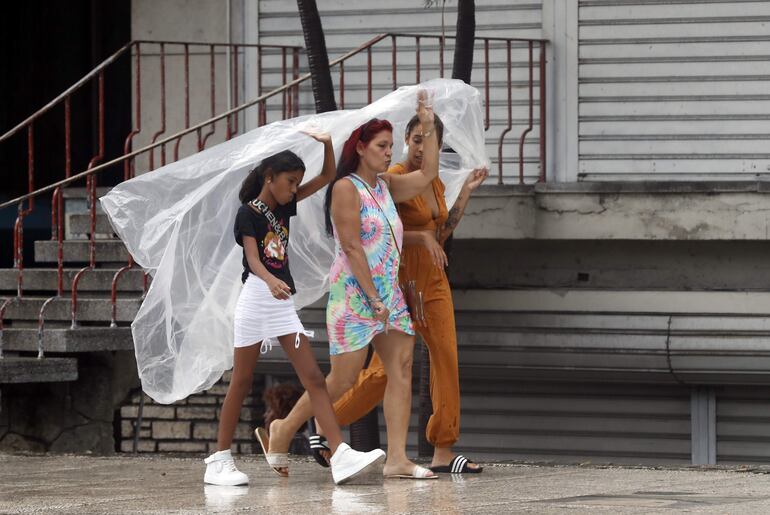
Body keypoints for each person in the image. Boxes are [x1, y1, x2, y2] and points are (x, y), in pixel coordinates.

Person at [262, 92, 440, 480]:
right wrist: (373, 298)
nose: (387, 153)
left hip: (388, 293)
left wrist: (426, 123)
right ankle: (284, 427)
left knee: (403, 367)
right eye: (381, 146)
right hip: (355, 296)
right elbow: (352, 246)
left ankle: (397, 459)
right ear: (360, 148)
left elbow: (427, 175)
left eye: (391, 146)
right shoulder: (346, 188)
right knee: (341, 379)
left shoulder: (386, 186)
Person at [203, 132, 386, 487]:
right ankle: (219, 460)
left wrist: (327, 143)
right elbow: (254, 260)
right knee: (241, 381)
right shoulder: (247, 214)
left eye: (296, 183)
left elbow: (326, 176)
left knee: (315, 378)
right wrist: (271, 282)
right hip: (258, 297)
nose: (293, 189)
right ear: (269, 177)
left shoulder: (283, 206)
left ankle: (341, 455)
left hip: (281, 302)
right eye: (289, 182)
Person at [312, 114, 489, 474]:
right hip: (399, 276)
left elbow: (440, 230)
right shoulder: (388, 175)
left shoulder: (434, 181)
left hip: (433, 276)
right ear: (408, 138)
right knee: (381, 373)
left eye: (433, 141)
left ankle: (442, 448)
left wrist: (466, 192)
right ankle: (323, 424)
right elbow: (377, 235)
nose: (424, 148)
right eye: (419, 139)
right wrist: (419, 238)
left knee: (445, 357)